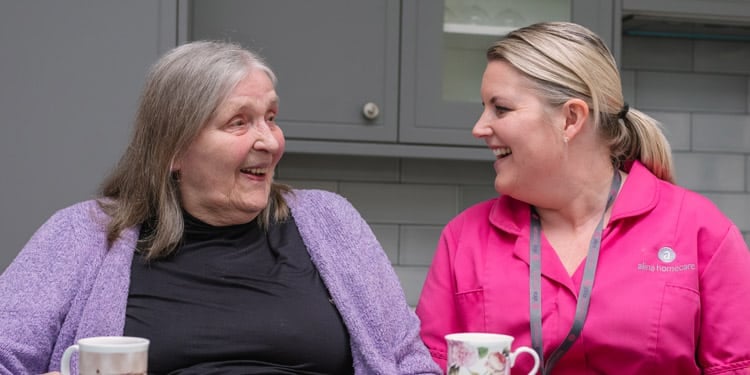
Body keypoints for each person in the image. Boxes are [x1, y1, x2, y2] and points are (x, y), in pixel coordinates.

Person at [0, 40, 441, 375]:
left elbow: (407, 362)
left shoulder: (331, 222)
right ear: (173, 150)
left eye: (270, 117)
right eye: (239, 122)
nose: (269, 141)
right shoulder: (86, 232)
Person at [416, 21, 750, 374]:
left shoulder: (699, 231)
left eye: (501, 109)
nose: (479, 127)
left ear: (571, 118)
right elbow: (425, 368)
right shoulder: (464, 239)